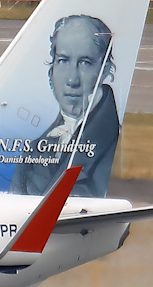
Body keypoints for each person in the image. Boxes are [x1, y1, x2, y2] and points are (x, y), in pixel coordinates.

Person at [9, 14, 120, 197]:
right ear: (51, 70)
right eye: (63, 61)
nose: (71, 79)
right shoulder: (35, 150)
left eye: (85, 63)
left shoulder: (113, 143)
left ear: (105, 70)